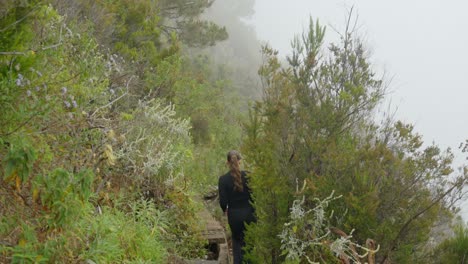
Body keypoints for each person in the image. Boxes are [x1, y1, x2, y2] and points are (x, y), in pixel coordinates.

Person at [218, 150, 255, 264]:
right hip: (250, 215)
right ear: (240, 161)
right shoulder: (249, 176)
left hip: (234, 217)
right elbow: (255, 197)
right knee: (249, 247)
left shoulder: (223, 180)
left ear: (227, 162)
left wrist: (225, 210)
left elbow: (223, 203)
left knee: (237, 245)